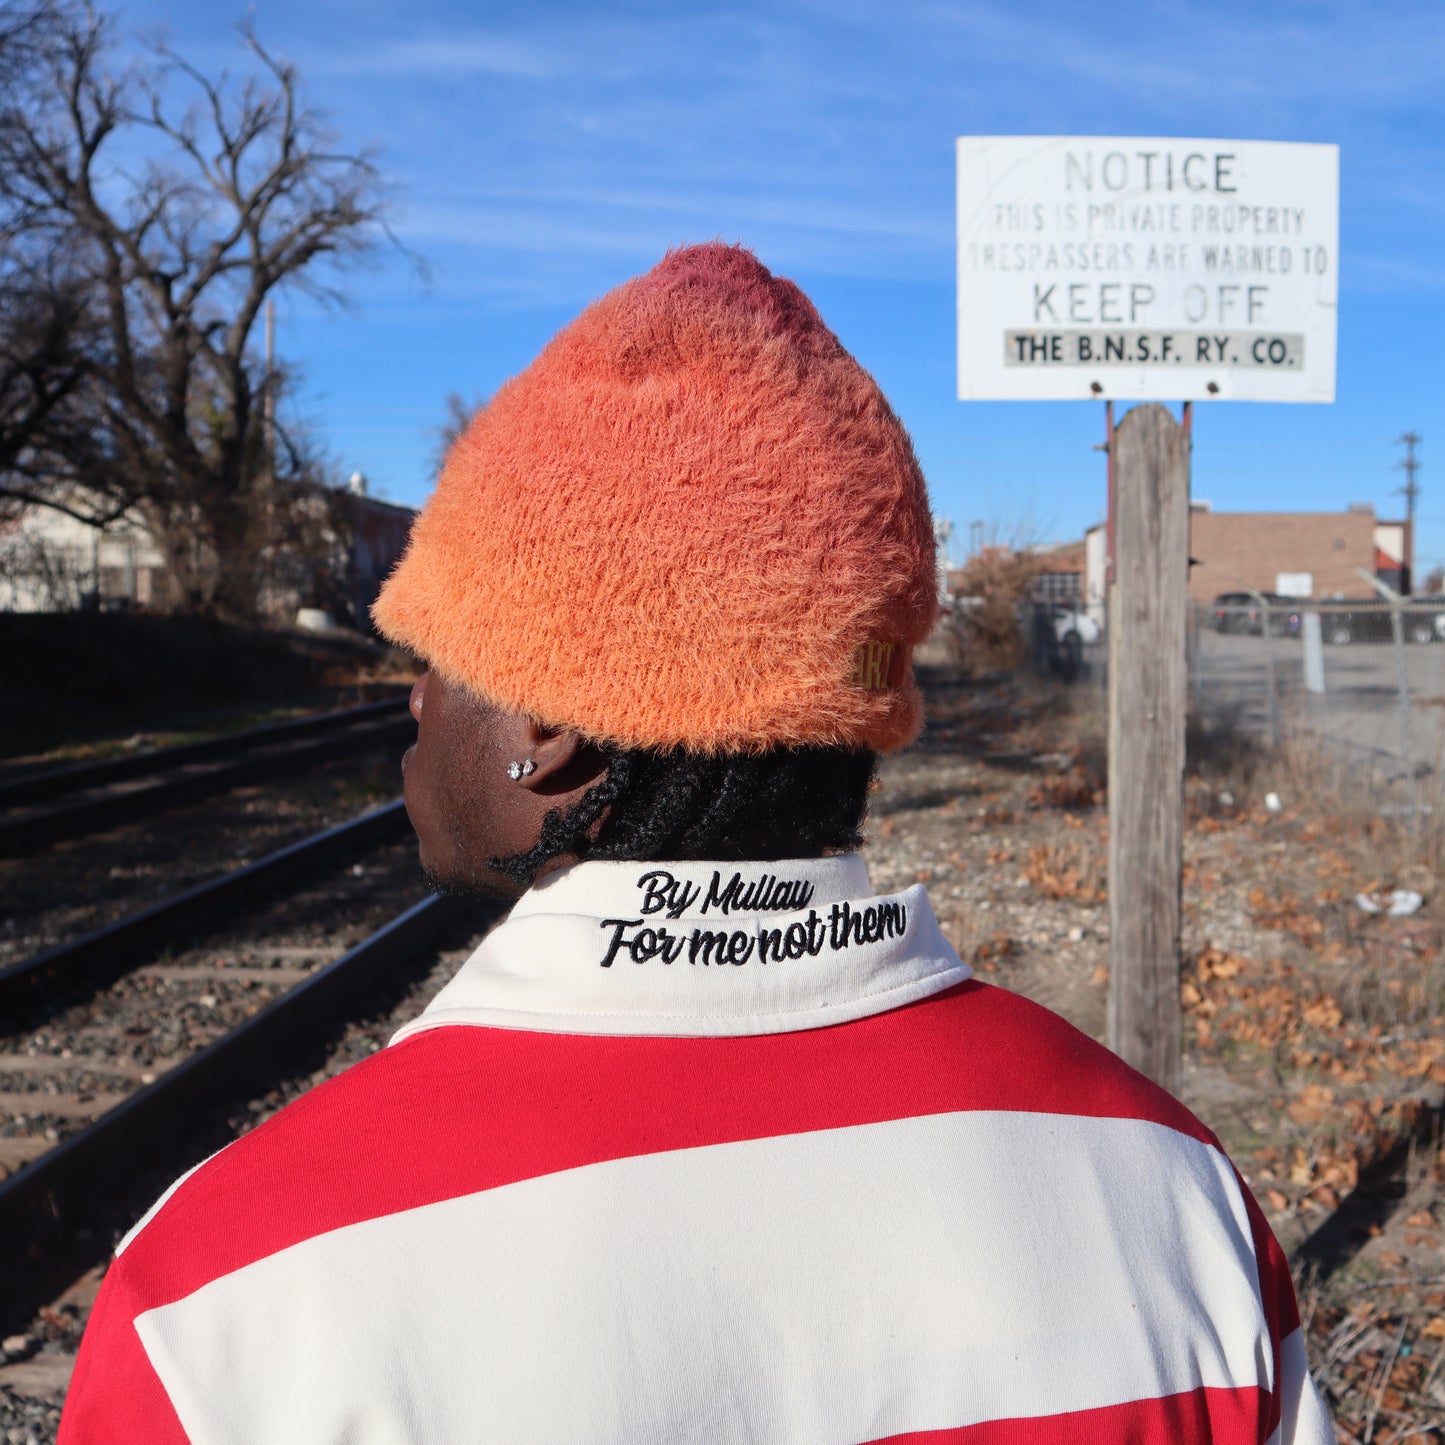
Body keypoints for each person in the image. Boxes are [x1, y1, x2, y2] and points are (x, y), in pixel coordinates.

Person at [59, 243, 1333, 1443]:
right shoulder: (1174, 1193)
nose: (411, 700)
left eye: (433, 658)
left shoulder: (225, 1301)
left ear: (549, 721)